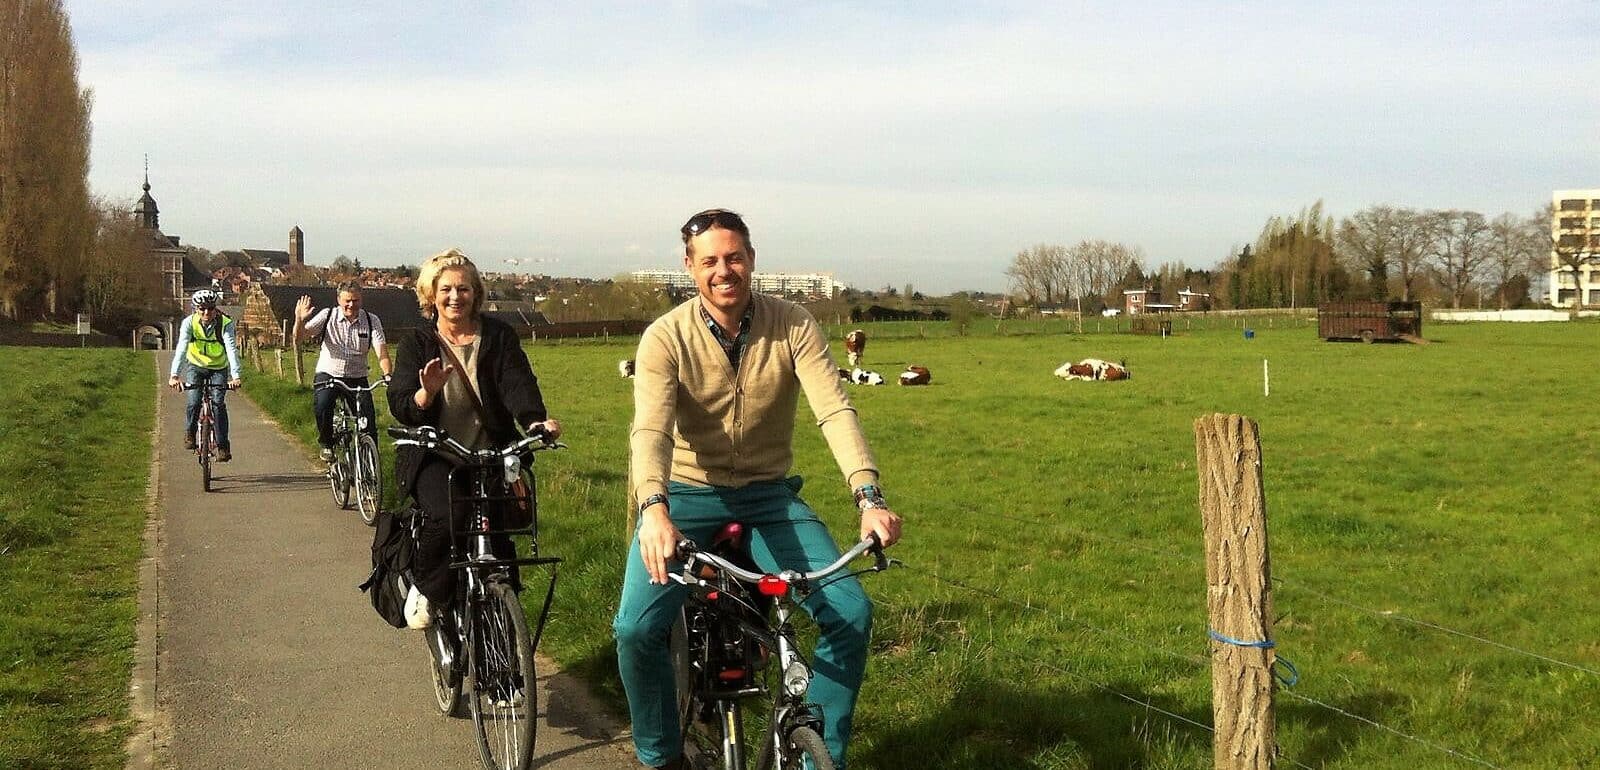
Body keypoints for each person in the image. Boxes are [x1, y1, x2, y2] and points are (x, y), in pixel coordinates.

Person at [614, 208, 904, 770]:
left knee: (850, 613)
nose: (724, 271)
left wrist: (869, 497)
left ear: (751, 259)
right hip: (686, 496)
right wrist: (653, 506)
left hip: (769, 497)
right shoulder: (665, 337)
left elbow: (833, 410)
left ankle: (817, 758)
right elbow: (651, 429)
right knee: (636, 628)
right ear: (690, 267)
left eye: (734, 257)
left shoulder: (793, 323)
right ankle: (660, 755)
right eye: (710, 261)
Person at [386, 249, 561, 630]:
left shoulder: (498, 336)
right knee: (451, 515)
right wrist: (425, 394)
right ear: (431, 295)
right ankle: (428, 588)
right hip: (436, 454)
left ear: (476, 293)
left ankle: (505, 627)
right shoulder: (417, 342)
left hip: (489, 452)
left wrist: (534, 421)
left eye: (463, 289)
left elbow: (517, 383)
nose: (455, 297)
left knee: (500, 535)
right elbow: (399, 401)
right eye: (446, 289)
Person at [293, 281, 395, 462]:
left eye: (355, 300)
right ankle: (327, 444)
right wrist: (299, 320)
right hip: (329, 374)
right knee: (323, 405)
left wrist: (387, 374)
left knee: (368, 423)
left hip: (357, 377)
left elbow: (382, 353)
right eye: (347, 300)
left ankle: (369, 466)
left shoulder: (371, 320)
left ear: (361, 299)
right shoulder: (328, 315)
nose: (351, 305)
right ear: (339, 299)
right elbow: (299, 337)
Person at [167, 288, 243, 462]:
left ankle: (223, 446)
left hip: (218, 368)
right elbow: (181, 349)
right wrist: (174, 375)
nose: (206, 312)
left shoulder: (225, 323)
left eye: (210, 308)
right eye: (202, 309)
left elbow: (231, 349)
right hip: (196, 366)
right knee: (194, 401)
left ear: (215, 308)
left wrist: (236, 376)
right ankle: (190, 433)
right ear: (196, 309)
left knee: (218, 404)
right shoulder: (189, 323)